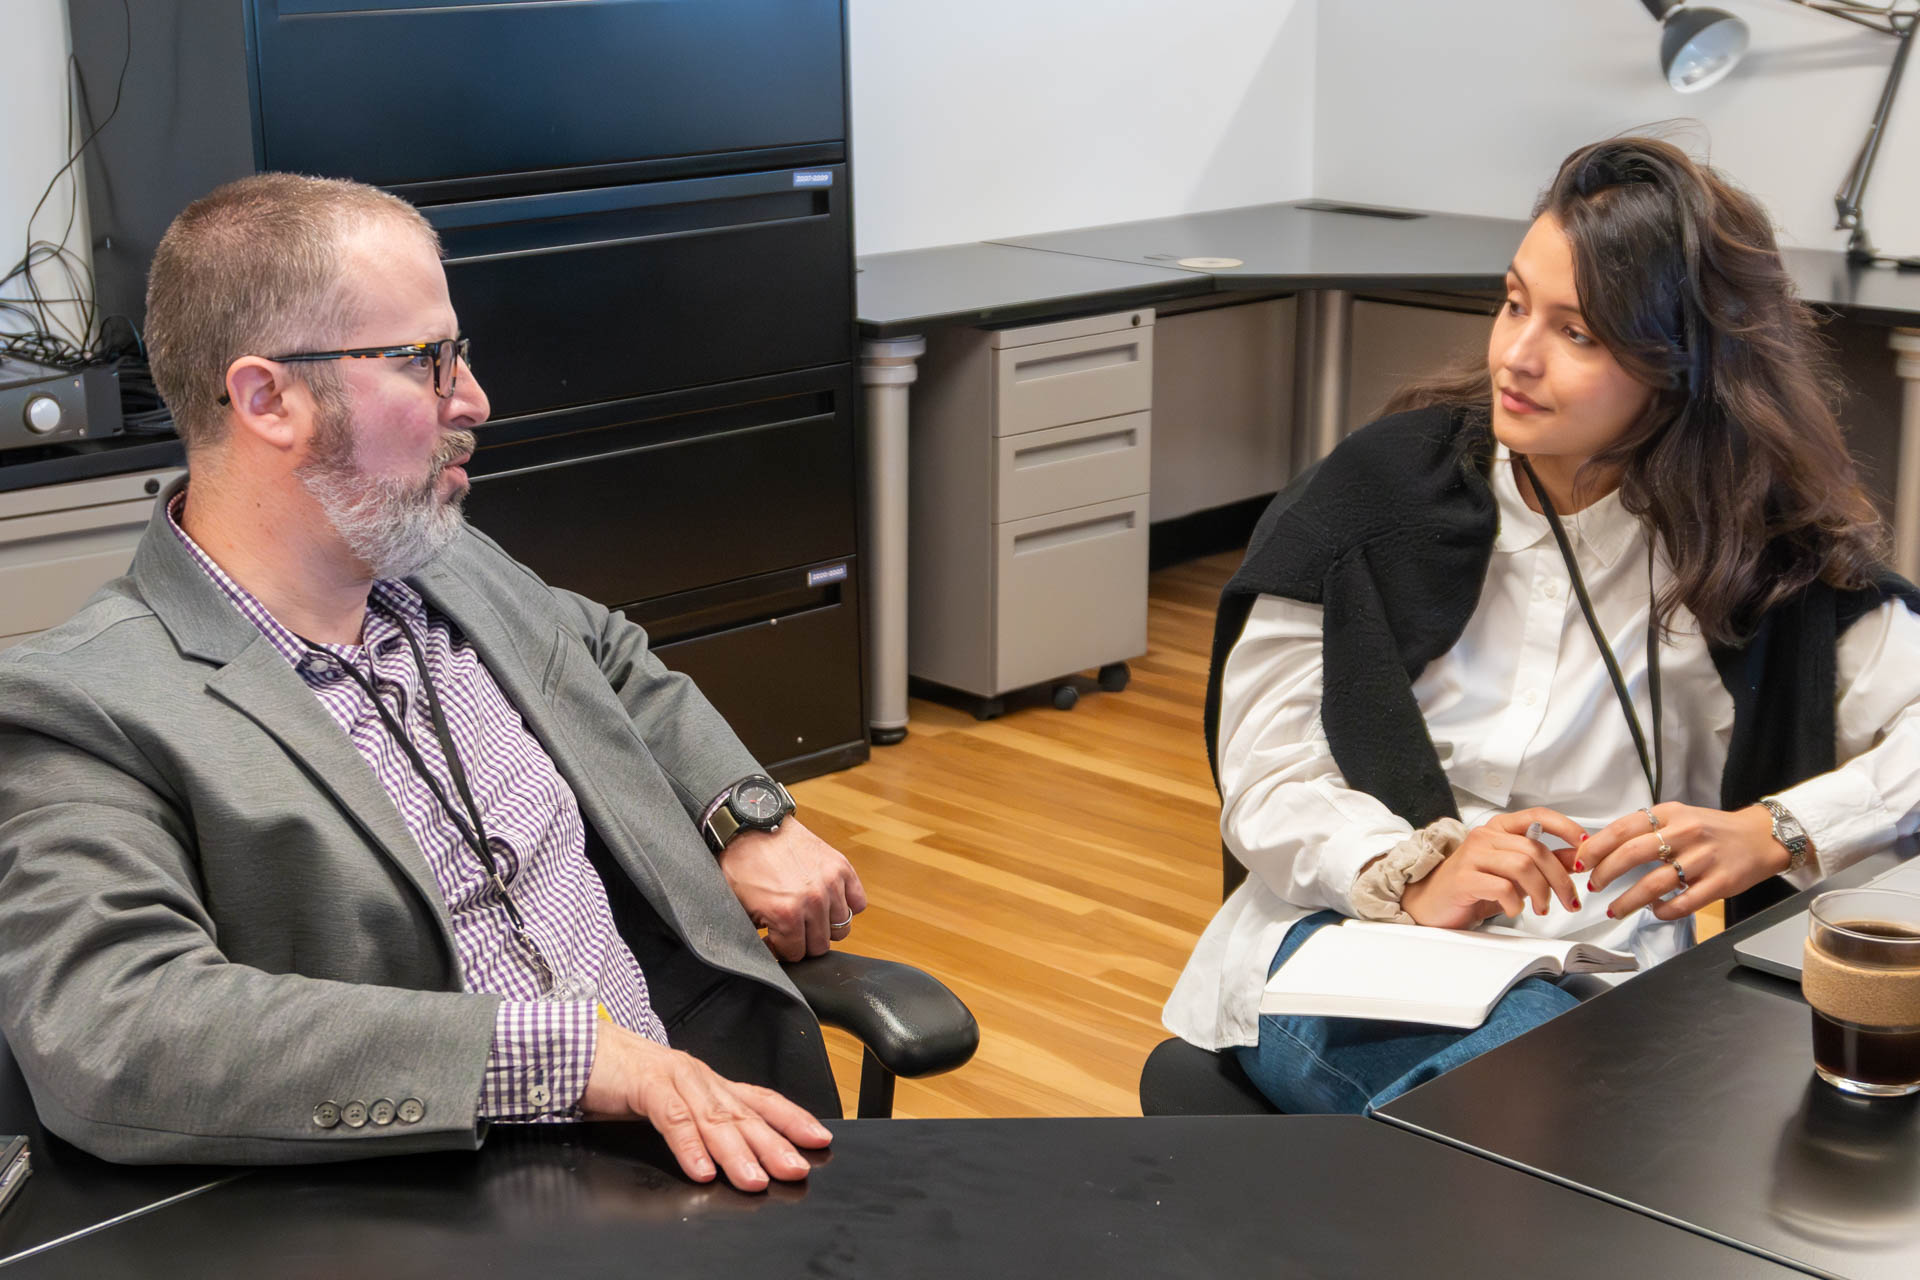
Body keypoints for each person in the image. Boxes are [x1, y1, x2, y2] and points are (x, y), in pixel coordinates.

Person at [0, 173, 871, 1189]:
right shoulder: (83, 707)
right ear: (266, 398)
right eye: (426, 361)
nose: (474, 399)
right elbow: (120, 1028)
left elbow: (600, 647)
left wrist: (745, 812)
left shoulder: (443, 561)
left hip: (720, 1135)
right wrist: (575, 1054)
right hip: (460, 1200)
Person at [1162, 136, 1920, 1115]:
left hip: (1606, 982)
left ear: (1684, 364)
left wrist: (1779, 829)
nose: (1515, 355)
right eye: (1515, 303)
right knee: (1561, 1111)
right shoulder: (1372, 497)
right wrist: (1412, 869)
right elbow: (1266, 775)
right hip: (1349, 947)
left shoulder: (1753, 551)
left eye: (1578, 333)